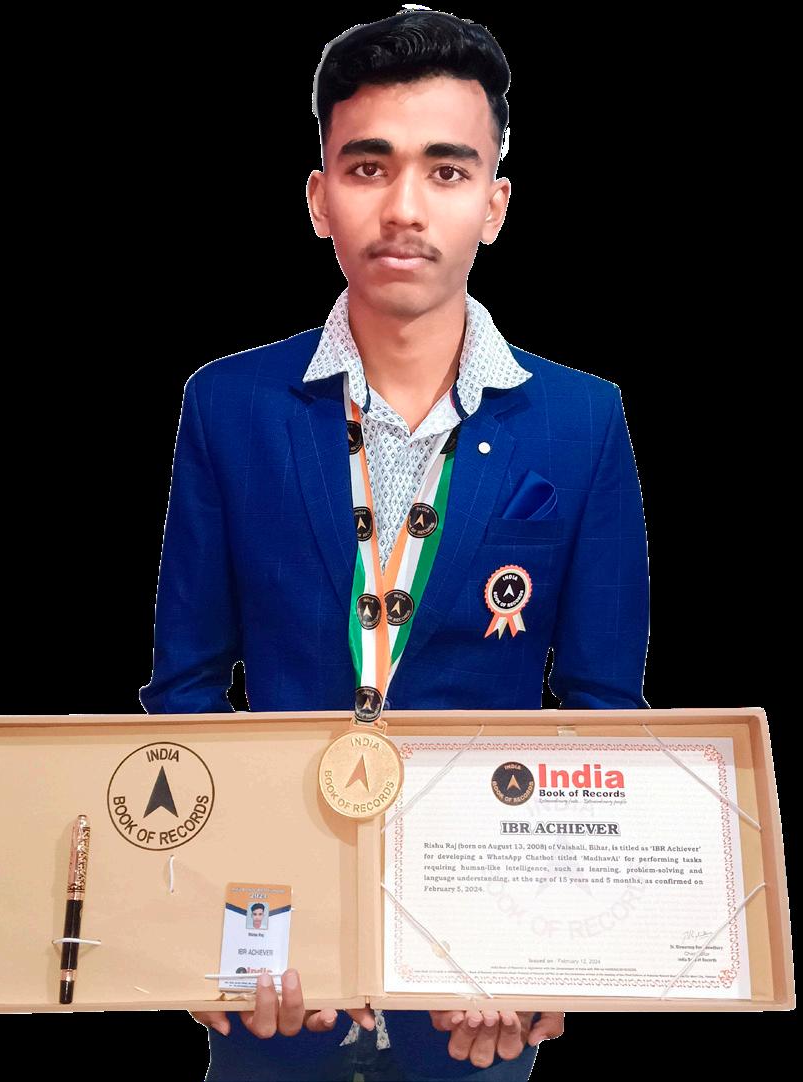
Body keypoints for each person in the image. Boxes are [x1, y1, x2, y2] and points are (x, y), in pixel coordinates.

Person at [138, 7, 648, 1080]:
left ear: (494, 204)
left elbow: (605, 715)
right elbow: (184, 694)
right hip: (273, 954)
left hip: (480, 958)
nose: (405, 207)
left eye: (446, 171)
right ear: (319, 195)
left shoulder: (582, 419)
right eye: (368, 167)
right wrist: (207, 934)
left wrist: (553, 957)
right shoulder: (229, 405)